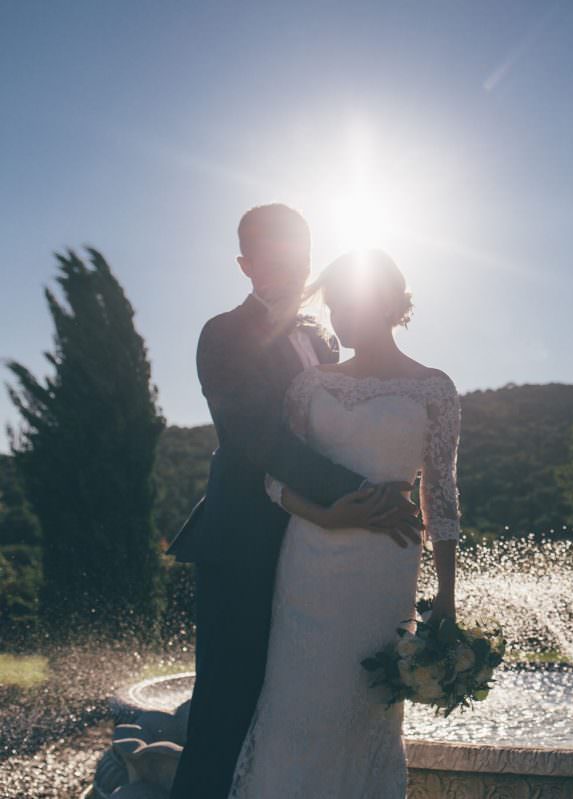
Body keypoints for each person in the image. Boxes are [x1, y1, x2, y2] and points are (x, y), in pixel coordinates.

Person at [167, 205, 422, 799]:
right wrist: (365, 495)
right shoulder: (223, 333)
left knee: (296, 706)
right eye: (273, 253)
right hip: (244, 546)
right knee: (228, 706)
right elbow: (261, 440)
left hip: (320, 553)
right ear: (245, 264)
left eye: (299, 252)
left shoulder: (323, 336)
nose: (290, 264)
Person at [227, 248, 460, 797]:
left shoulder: (434, 388)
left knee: (366, 706)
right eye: (331, 308)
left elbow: (443, 498)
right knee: (298, 704)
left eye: (346, 305)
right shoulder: (310, 386)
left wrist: (446, 597)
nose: (336, 320)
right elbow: (275, 479)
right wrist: (328, 517)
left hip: (387, 568)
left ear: (385, 302)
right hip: (309, 562)